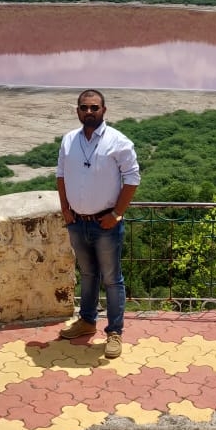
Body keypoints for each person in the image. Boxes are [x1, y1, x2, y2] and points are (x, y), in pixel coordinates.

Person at [56, 88, 140, 359]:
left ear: (104, 110)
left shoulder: (118, 141)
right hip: (77, 222)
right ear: (77, 111)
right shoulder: (69, 140)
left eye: (94, 107)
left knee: (112, 280)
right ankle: (87, 321)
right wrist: (66, 210)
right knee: (89, 275)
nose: (89, 112)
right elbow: (61, 175)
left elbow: (132, 179)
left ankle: (114, 332)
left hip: (106, 223)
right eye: (84, 107)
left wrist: (116, 214)